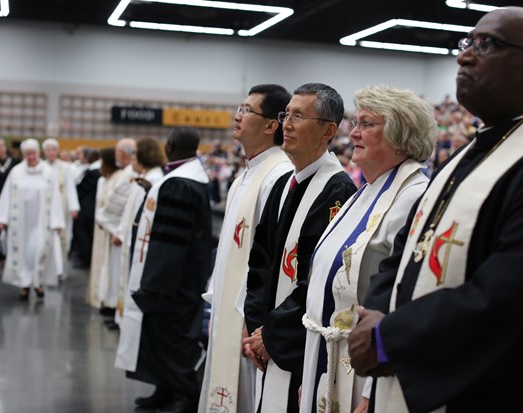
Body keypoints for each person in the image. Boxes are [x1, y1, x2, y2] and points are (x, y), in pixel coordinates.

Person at [348, 7, 523, 413]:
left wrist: (389, 337)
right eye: (467, 42)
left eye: (488, 45)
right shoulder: (472, 152)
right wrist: (376, 311)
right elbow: (408, 249)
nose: (464, 56)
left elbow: (522, 296)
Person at [300, 85, 436, 413]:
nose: (354, 134)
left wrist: (371, 391)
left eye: (366, 124)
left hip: (366, 368)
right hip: (329, 353)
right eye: (355, 123)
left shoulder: (415, 196)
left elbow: (401, 297)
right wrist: (313, 365)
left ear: (401, 134)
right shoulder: (366, 190)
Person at [243, 83, 357, 412]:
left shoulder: (338, 189)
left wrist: (273, 335)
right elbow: (260, 262)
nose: (287, 124)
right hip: (267, 335)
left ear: (328, 131)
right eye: (285, 114)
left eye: (298, 116)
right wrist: (256, 326)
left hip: (298, 342)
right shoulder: (282, 184)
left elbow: (319, 277)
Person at [199, 84, 293, 413]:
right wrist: (216, 301)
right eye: (239, 107)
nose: (237, 116)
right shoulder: (246, 172)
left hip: (247, 318)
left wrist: (250, 315)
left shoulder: (278, 175)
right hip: (228, 309)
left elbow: (267, 257)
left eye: (247, 110)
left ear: (271, 125)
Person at [115, 127, 212, 413]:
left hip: (172, 282)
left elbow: (172, 240)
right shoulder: (181, 179)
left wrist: (153, 283)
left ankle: (185, 395)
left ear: (169, 145)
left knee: (175, 340)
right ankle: (164, 389)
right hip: (175, 278)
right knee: (159, 338)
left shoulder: (180, 184)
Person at [0, 138, 65, 300]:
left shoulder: (48, 172)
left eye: (33, 153)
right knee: (24, 253)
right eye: (28, 154)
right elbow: (6, 195)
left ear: (38, 153)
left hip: (41, 222)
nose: (31, 156)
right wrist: (2, 219)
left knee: (38, 251)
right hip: (21, 223)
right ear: (24, 155)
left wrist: (57, 221)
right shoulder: (16, 172)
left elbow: (55, 198)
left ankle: (38, 282)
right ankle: (24, 284)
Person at [109, 136, 166, 331]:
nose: (131, 161)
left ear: (144, 157)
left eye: (135, 157)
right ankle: (122, 318)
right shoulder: (144, 178)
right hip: (130, 238)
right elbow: (129, 211)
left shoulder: (155, 181)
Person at [92, 138, 137, 315]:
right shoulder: (125, 172)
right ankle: (112, 305)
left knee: (119, 271)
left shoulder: (128, 173)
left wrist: (104, 218)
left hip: (120, 231)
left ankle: (115, 308)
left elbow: (119, 205)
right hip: (115, 230)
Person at [86, 148, 121, 309]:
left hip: (110, 231)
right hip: (101, 230)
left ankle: (107, 301)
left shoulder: (119, 180)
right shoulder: (103, 180)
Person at [42, 138, 80, 280]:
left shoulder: (65, 168)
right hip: (45, 208)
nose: (51, 152)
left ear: (57, 151)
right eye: (48, 150)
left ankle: (60, 268)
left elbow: (70, 187)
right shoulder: (40, 167)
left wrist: (73, 207)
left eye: (53, 150)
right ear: (44, 152)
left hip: (62, 209)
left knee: (63, 238)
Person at [73, 147, 100, 269]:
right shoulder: (96, 171)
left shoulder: (92, 172)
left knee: (84, 234)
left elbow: (81, 189)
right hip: (92, 207)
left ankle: (85, 259)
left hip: (87, 208)